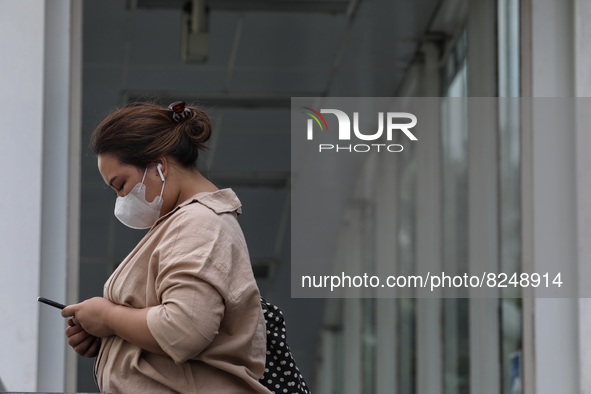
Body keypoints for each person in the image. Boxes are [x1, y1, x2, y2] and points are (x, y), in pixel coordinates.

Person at [62, 101, 272, 393]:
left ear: (159, 167)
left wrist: (108, 317)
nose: (121, 200)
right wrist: (110, 337)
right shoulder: (184, 222)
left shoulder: (200, 223)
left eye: (121, 185)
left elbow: (183, 329)